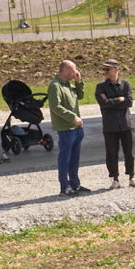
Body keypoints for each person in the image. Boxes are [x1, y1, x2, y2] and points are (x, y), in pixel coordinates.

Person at [93, 59, 135, 190]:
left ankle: (131, 177)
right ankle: (115, 179)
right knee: (111, 153)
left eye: (108, 69)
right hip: (110, 125)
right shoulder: (101, 87)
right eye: (104, 69)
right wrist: (119, 99)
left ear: (116, 69)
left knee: (129, 152)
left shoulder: (125, 84)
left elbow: (129, 102)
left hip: (126, 124)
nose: (105, 72)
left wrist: (112, 102)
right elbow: (104, 103)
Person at [46, 60, 86, 197]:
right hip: (65, 129)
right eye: (74, 70)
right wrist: (72, 117)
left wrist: (79, 82)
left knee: (75, 158)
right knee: (65, 158)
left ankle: (75, 183)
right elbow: (55, 107)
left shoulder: (69, 85)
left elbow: (80, 96)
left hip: (76, 128)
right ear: (66, 70)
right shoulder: (55, 86)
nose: (76, 72)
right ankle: (65, 186)